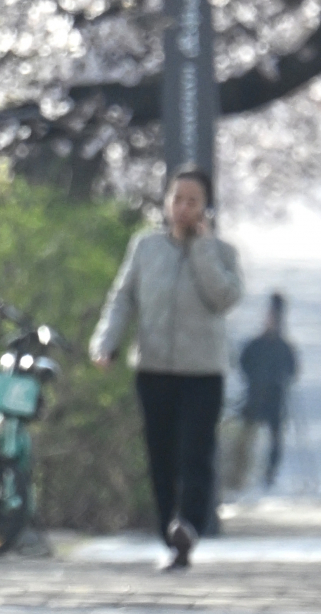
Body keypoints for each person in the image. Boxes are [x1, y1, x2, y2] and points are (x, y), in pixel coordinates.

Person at [90, 168, 243, 568]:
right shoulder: (145, 247)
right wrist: (106, 343)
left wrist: (203, 250)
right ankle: (168, 533)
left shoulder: (223, 252)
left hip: (203, 373)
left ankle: (189, 525)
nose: (183, 208)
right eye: (177, 199)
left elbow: (225, 298)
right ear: (166, 202)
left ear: (205, 207)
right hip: (154, 369)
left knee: (195, 452)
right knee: (160, 455)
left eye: (192, 201)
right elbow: (122, 298)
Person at [232, 294, 298, 490]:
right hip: (254, 397)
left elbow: (292, 370)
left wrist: (281, 380)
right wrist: (253, 378)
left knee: (275, 438)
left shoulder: (284, 347)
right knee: (246, 435)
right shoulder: (255, 345)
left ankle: (270, 473)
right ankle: (240, 473)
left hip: (275, 399)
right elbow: (243, 363)